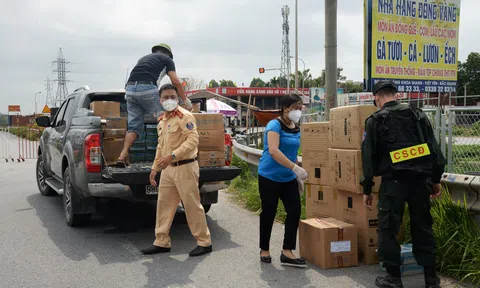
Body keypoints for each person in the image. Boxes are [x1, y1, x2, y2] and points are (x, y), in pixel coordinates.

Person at [360, 80, 445, 288]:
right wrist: (435, 179)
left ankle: (393, 278)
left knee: (388, 229)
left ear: (377, 98)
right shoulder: (418, 115)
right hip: (420, 183)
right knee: (423, 227)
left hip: (393, 184)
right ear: (396, 95)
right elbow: (435, 152)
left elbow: (368, 158)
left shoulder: (375, 120)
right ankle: (431, 278)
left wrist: (367, 189)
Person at [142, 84, 212, 257]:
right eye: (165, 97)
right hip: (168, 169)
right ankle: (161, 241)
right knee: (164, 205)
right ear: (160, 100)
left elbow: (193, 140)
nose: (169, 100)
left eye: (172, 96)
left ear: (178, 98)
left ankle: (204, 242)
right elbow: (160, 146)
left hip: (185, 167)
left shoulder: (184, 116)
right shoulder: (162, 120)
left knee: (192, 206)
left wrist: (172, 156)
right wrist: (154, 168)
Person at [116, 43, 192, 168]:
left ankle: (122, 155)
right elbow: (175, 81)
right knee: (166, 120)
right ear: (169, 54)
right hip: (147, 89)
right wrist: (185, 101)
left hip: (129, 90)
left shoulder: (143, 58)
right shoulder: (167, 60)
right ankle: (167, 155)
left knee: (134, 126)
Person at [257, 93, 308, 267]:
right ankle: (265, 249)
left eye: (300, 108)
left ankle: (287, 251)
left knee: (294, 211)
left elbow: (292, 153)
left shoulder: (296, 127)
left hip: (287, 178)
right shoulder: (274, 125)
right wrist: (296, 169)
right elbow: (273, 150)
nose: (298, 111)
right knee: (269, 213)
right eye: (295, 108)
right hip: (269, 177)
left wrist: (295, 175)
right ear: (285, 109)